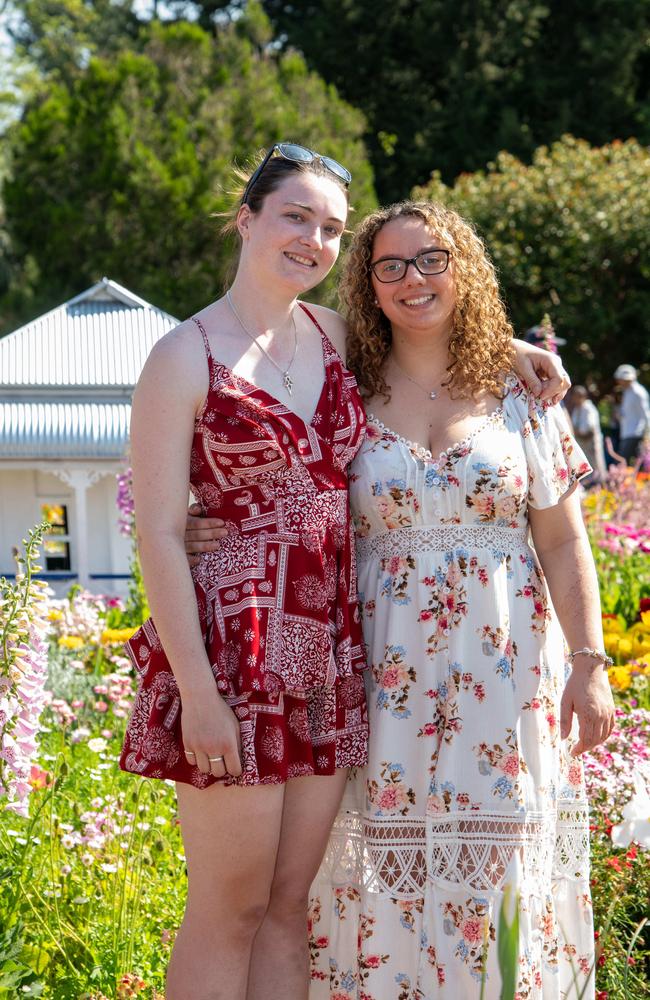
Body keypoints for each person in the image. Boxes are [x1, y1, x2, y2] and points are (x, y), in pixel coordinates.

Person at [121, 143, 572, 1000]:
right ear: (246, 217)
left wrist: (514, 347)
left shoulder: (332, 338)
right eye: (297, 216)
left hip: (327, 652)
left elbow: (429, 332)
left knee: (290, 907)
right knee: (229, 910)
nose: (315, 239)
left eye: (331, 228)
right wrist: (201, 695)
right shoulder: (181, 357)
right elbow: (158, 537)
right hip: (235, 654)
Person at [307, 201, 615, 1000]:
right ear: (367, 287)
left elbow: (561, 539)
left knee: (503, 868)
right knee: (382, 869)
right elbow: (267, 327)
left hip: (506, 681)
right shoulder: (339, 391)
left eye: (432, 259)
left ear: (465, 266)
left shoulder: (525, 399)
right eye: (391, 266)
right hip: (385, 680)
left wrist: (592, 662)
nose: (414, 279)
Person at [568, 385, 607, 485]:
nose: (574, 399)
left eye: (576, 396)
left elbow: (589, 429)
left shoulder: (588, 408)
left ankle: (600, 485)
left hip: (591, 443)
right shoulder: (577, 409)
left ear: (582, 396)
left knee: (596, 465)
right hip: (582, 443)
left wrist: (577, 431)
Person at [613, 363, 650, 464]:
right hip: (627, 433)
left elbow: (645, 414)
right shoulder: (627, 392)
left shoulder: (638, 392)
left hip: (636, 433)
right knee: (633, 464)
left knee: (621, 462)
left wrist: (647, 434)